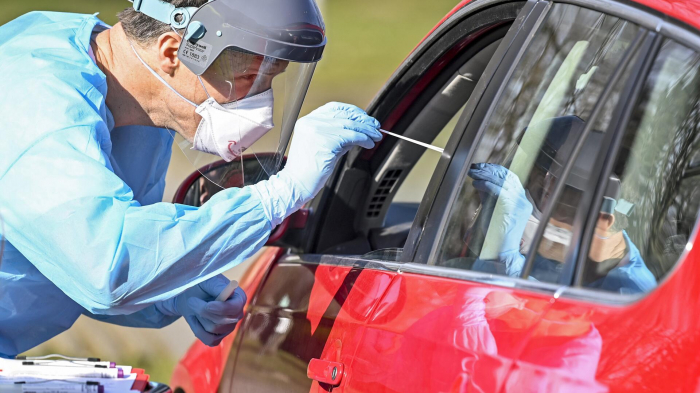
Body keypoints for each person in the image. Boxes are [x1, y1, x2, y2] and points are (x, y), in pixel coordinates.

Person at [0, 0, 382, 357]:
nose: (261, 107)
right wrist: (281, 193)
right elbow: (106, 270)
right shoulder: (37, 101)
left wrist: (176, 289)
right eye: (249, 76)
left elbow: (62, 261)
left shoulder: (136, 104)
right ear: (171, 51)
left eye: (271, 80)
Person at [469, 116, 655, 294]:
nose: (522, 194)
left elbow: (564, 323)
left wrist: (512, 269)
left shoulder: (631, 292)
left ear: (601, 219)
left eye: (541, 188)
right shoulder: (554, 257)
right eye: (525, 177)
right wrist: (493, 253)